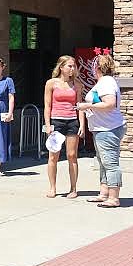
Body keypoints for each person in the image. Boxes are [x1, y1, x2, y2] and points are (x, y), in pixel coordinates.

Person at [77, 54, 126, 208]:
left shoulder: (106, 82)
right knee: (103, 162)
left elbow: (110, 103)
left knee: (110, 163)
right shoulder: (106, 82)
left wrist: (86, 106)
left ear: (97, 67)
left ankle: (113, 197)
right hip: (103, 128)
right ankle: (104, 193)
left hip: (108, 129)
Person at [43, 55, 86, 198]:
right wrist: (48, 125)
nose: (72, 69)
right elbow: (47, 105)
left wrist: (82, 124)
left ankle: (73, 188)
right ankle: (52, 187)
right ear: (61, 67)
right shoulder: (51, 83)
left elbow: (79, 106)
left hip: (72, 121)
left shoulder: (77, 84)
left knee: (72, 155)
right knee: (53, 156)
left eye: (74, 66)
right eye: (69, 66)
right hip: (56, 121)